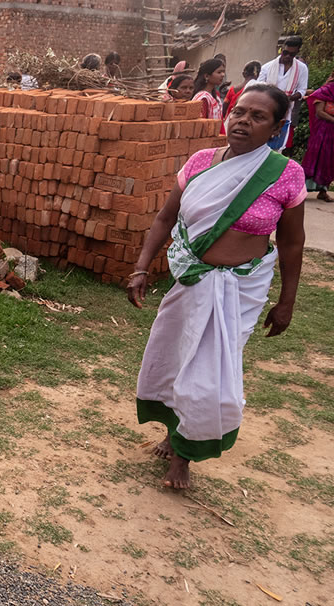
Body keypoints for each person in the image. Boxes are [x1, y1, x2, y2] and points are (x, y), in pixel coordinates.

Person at [128, 85, 306, 490]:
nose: (243, 121)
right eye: (239, 112)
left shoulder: (285, 175)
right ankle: (176, 431)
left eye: (258, 116)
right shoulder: (200, 163)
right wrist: (140, 269)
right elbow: (163, 220)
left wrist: (287, 301)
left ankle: (184, 455)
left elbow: (293, 243)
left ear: (277, 127)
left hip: (241, 289)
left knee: (210, 374)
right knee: (176, 357)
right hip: (191, 280)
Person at [256, 36, 309, 150]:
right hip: (266, 108)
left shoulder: (302, 68)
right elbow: (259, 87)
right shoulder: (267, 67)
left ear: (297, 52)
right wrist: (275, 97)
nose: (287, 56)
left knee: (277, 146)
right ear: (282, 49)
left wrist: (288, 98)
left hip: (285, 110)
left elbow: (302, 90)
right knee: (260, 142)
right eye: (285, 53)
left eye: (292, 54)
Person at [302, 70, 334, 202]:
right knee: (316, 158)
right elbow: (319, 112)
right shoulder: (325, 91)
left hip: (332, 133)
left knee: (329, 160)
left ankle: (323, 191)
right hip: (322, 132)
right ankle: (300, 190)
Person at [192, 58, 226, 124]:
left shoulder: (215, 96)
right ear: (207, 76)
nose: (223, 75)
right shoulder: (203, 98)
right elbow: (201, 124)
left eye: (223, 72)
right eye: (219, 72)